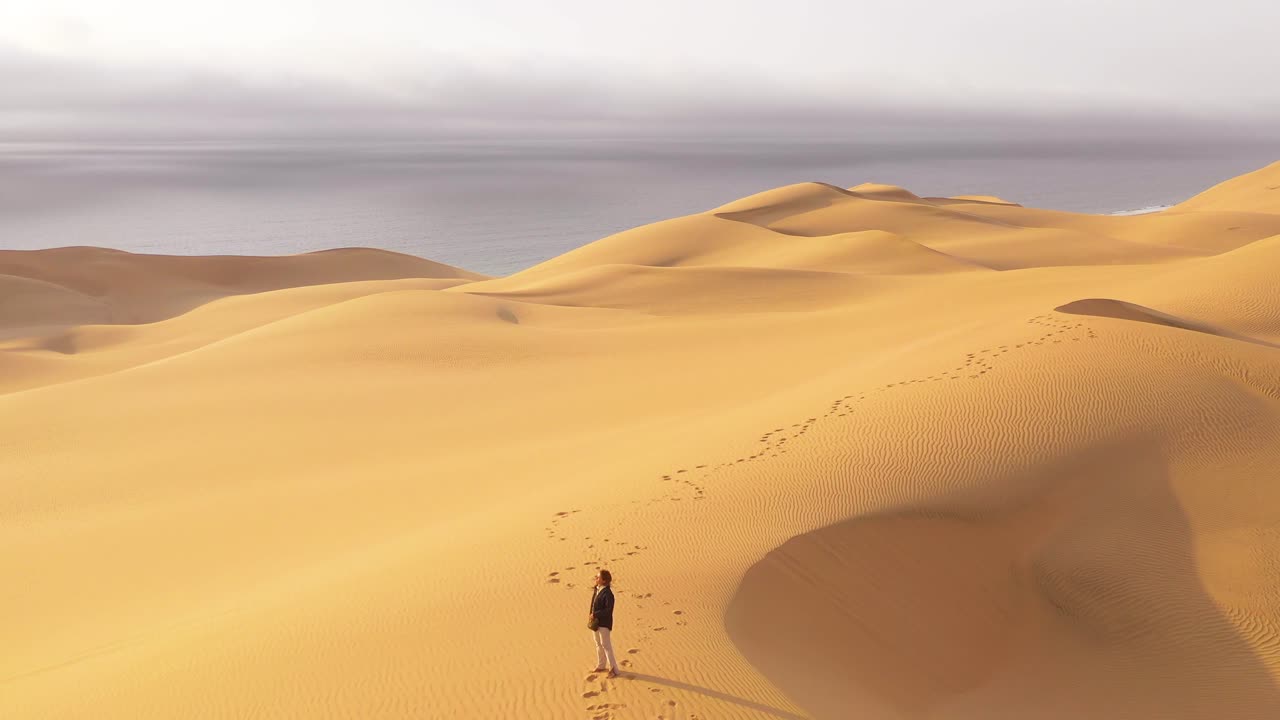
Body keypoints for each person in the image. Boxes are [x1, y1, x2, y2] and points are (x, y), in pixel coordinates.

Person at [589, 569, 619, 677]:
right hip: (596, 622)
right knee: (598, 644)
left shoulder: (608, 594)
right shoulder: (597, 590)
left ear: (604, 580)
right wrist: (591, 616)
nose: (596, 579)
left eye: (598, 577)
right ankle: (601, 665)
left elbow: (608, 610)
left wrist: (595, 614)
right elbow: (593, 605)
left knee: (606, 645)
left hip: (604, 623)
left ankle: (614, 669)